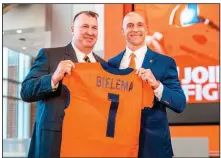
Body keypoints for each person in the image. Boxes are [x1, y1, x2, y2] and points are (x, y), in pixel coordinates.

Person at [20, 11, 105, 158]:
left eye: (94, 28)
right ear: (73, 29)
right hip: (55, 145)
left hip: (91, 143)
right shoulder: (49, 55)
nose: (90, 32)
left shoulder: (104, 66)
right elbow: (26, 91)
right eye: (85, 26)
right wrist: (54, 78)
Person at [108, 12, 186, 158]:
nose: (135, 29)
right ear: (122, 31)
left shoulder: (165, 62)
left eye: (140, 25)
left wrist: (157, 85)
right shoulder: (111, 64)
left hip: (153, 146)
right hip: (119, 145)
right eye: (130, 25)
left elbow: (180, 103)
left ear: (146, 29)